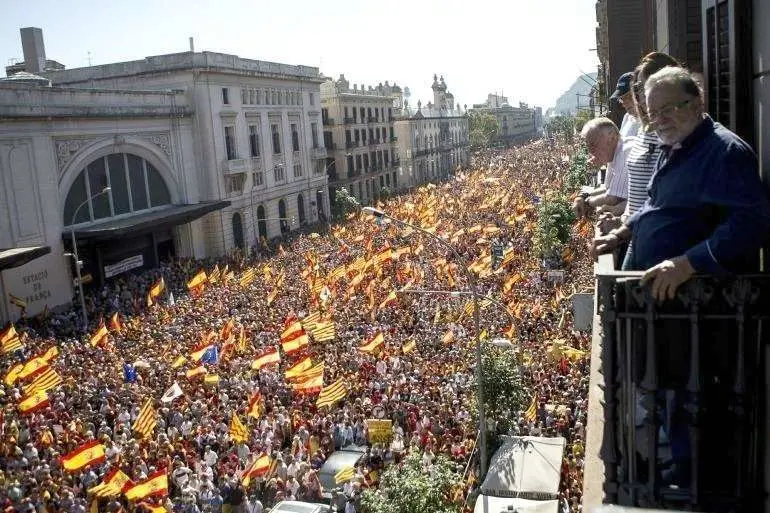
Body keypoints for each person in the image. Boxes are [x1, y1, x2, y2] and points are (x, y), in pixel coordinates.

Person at [572, 117, 628, 220]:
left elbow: (613, 198)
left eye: (593, 144)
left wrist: (587, 202)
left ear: (611, 137)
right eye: (588, 146)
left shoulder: (625, 151)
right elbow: (608, 189)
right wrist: (582, 196)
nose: (590, 151)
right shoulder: (613, 153)